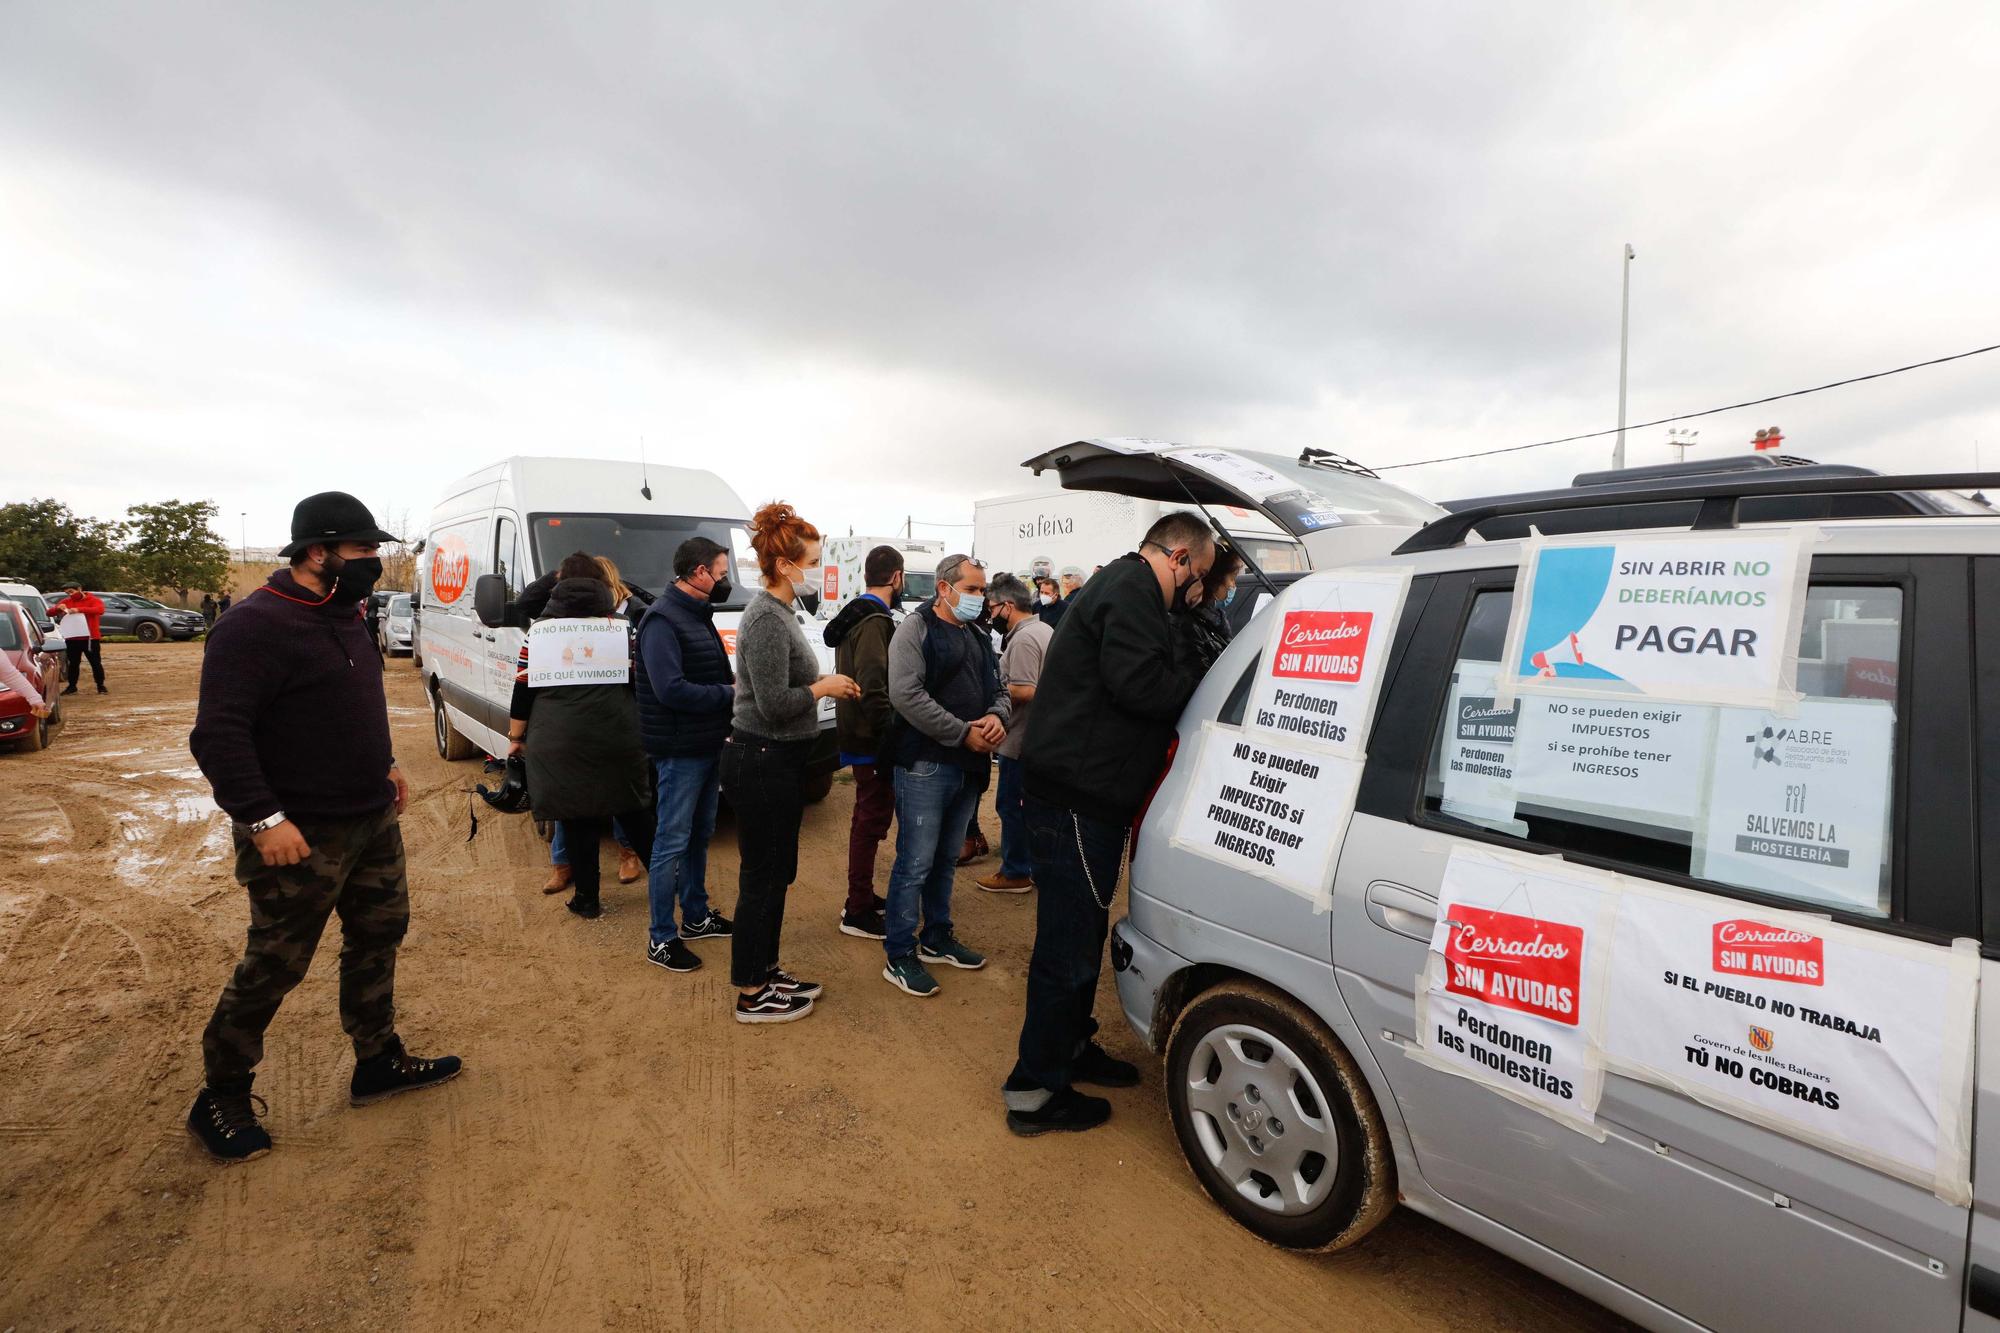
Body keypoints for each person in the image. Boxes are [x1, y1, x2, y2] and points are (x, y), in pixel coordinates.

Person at [187, 491, 459, 1164]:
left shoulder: (347, 612)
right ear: (319, 553)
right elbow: (218, 736)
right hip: (297, 833)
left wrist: (387, 762)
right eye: (365, 551)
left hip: (369, 817)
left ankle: (377, 1060)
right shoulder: (254, 626)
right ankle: (220, 1092)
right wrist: (262, 817)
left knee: (379, 934)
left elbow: (346, 702)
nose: (375, 562)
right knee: (274, 963)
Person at [1002, 511, 1213, 1135]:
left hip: (1081, 790)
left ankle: (1071, 1047)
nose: (1192, 588)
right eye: (1195, 574)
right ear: (1177, 556)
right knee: (1066, 946)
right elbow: (1140, 685)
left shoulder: (1127, 587)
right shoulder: (1131, 590)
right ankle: (1035, 1091)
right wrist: (1202, 678)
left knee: (1080, 933)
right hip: (1074, 795)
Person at [720, 502, 859, 1023]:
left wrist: (820, 688)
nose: (818, 571)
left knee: (777, 872)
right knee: (763, 877)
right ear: (785, 567)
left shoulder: (779, 613)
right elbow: (775, 704)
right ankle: (752, 992)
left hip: (773, 759)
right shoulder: (763, 619)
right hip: (760, 759)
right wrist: (822, 687)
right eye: (813, 561)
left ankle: (765, 967)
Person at [878, 554, 1008, 998]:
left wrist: (996, 718)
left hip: (967, 766)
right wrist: (960, 734)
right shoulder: (913, 631)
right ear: (944, 588)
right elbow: (906, 694)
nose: (979, 597)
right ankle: (899, 954)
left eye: (981, 590)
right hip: (925, 764)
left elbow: (1000, 687)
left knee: (946, 859)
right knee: (914, 862)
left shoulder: (977, 633)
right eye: (971, 589)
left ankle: (937, 936)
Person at [506, 553, 656, 920]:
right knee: (636, 813)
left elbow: (523, 686)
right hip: (618, 735)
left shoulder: (538, 632)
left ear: (558, 588)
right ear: (603, 588)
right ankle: (672, 887)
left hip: (559, 740)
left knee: (576, 819)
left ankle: (587, 899)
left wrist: (515, 736)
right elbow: (641, 681)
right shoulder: (622, 628)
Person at [634, 535, 738, 974]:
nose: (725, 579)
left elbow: (711, 669)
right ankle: (661, 937)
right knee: (671, 842)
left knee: (700, 833)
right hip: (679, 751)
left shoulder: (697, 614)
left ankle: (695, 916)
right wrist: (730, 694)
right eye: (720, 571)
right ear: (699, 573)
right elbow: (669, 689)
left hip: (706, 743)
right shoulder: (662, 620)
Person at [821, 544, 903, 939]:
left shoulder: (859, 613)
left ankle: (863, 896)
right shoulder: (873, 621)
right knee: (870, 822)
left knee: (867, 818)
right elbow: (873, 685)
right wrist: (889, 737)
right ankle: (857, 909)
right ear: (898, 577)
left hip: (856, 732)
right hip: (869, 738)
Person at [976, 573, 1051, 894]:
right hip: (1037, 737)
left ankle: (1016, 871)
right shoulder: (1043, 628)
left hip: (1019, 739)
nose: (990, 614)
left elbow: (1025, 690)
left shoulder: (1023, 638)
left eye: (992, 607)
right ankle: (1030, 865)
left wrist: (990, 690)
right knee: (1029, 808)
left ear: (1007, 606)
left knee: (1010, 806)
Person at [1174, 545, 1245, 670]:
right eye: (1232, 578)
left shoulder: (1215, 620)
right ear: (1215, 579)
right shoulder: (1189, 626)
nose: (1233, 585)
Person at [50, 582, 106, 694]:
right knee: (73, 663)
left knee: (95, 662)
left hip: (90, 638)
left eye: (71, 591)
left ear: (79, 589)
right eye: (67, 593)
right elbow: (49, 613)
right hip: (72, 637)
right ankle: (72, 686)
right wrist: (57, 608)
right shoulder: (66, 602)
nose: (70, 595)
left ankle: (100, 685)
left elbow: (99, 610)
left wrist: (79, 609)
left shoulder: (93, 600)